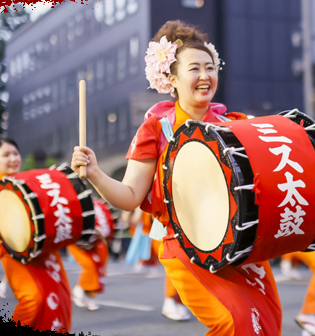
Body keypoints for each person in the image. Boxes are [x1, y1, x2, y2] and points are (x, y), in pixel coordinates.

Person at [71, 21, 281, 335]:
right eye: (194, 68)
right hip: (187, 248)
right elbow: (130, 196)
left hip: (241, 245)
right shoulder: (157, 129)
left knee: (266, 326)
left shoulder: (234, 126)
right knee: (234, 322)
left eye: (211, 67)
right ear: (172, 79)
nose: (205, 76)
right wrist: (96, 174)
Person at [0, 135, 72, 333]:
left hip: (43, 248)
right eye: (6, 155)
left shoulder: (30, 181)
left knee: (58, 296)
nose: (13, 159)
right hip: (12, 251)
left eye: (15, 153)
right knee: (33, 298)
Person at [66, 194, 111, 311]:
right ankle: (79, 289)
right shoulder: (75, 207)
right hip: (76, 241)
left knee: (99, 266)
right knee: (89, 265)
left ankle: (89, 296)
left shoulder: (97, 207)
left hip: (94, 242)